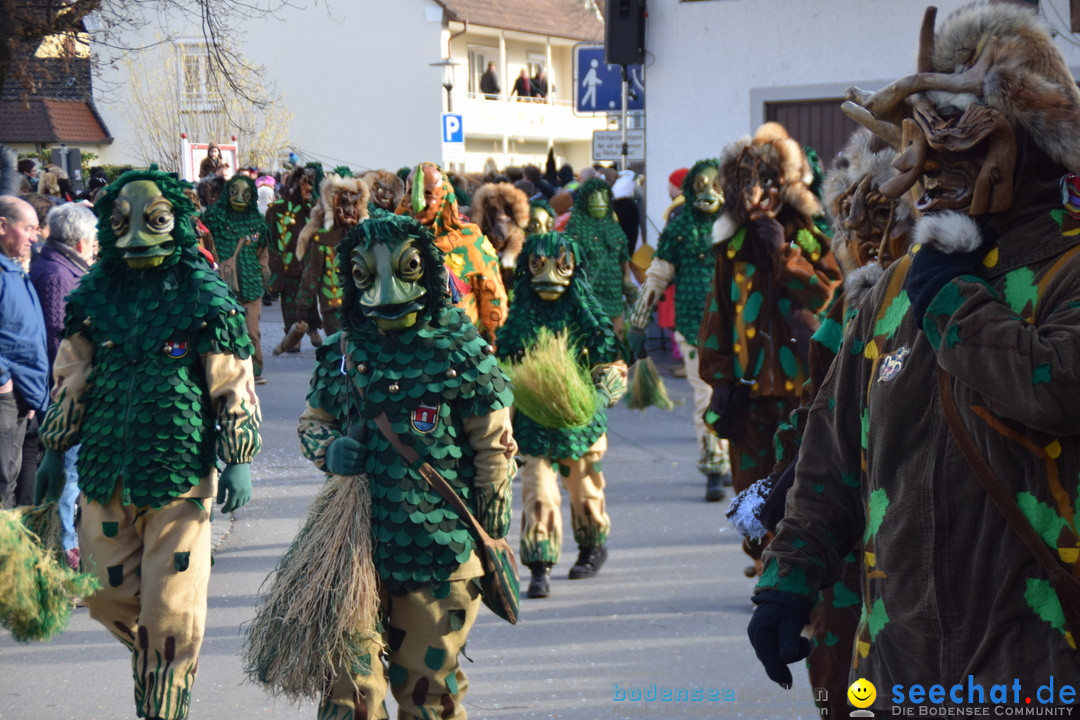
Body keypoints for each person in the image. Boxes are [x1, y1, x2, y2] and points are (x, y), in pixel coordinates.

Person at [748, 2, 1080, 709]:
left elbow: (1056, 388)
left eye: (955, 143)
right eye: (921, 144)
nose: (925, 168)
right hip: (897, 663)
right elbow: (834, 452)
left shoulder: (1068, 269)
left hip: (1036, 661)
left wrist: (956, 303)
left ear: (1026, 141)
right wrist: (788, 580)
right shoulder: (893, 287)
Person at [35, 167, 261, 720]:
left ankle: (164, 704)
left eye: (154, 221)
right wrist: (53, 451)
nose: (136, 235)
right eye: (123, 223)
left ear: (175, 224)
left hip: (179, 478)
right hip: (106, 470)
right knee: (102, 594)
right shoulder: (94, 296)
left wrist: (237, 456)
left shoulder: (201, 292)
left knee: (171, 615)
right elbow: (71, 376)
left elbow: (232, 378)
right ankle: (159, 660)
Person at [298, 213, 517, 718]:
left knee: (426, 689)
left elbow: (495, 444)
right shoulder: (343, 352)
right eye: (364, 277)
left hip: (441, 552)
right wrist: (328, 449)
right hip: (351, 550)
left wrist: (490, 519)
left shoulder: (461, 351)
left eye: (406, 270)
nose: (386, 293)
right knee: (348, 688)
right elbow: (313, 422)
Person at [697, 122, 840, 574]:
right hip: (750, 392)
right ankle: (766, 562)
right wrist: (718, 379)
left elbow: (829, 296)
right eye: (745, 182)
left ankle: (791, 570)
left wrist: (785, 255)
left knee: (801, 487)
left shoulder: (813, 241)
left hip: (803, 392)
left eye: (767, 181)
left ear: (788, 185)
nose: (756, 192)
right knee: (751, 487)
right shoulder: (730, 251)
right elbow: (717, 317)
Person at [497, 232, 627, 598]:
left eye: (561, 267)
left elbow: (612, 362)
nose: (550, 276)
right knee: (539, 492)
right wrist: (502, 422)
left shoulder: (588, 316)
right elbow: (505, 370)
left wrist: (603, 391)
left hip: (580, 424)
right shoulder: (518, 320)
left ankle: (592, 546)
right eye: (539, 266)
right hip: (534, 425)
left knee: (585, 490)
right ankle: (540, 566)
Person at [628, 159, 732, 502]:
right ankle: (714, 466)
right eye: (702, 186)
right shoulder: (680, 227)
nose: (709, 194)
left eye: (716, 186)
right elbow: (657, 275)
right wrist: (640, 321)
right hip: (694, 325)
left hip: (740, 328)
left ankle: (732, 459)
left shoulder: (739, 224)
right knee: (706, 394)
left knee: (737, 394)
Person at [28, 202, 97, 568]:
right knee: (67, 473)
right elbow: (60, 339)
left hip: (64, 389)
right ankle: (63, 549)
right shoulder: (57, 274)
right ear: (82, 240)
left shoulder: (62, 265)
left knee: (70, 472)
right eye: (96, 239)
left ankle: (66, 544)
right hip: (62, 393)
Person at [397, 161, 508, 345]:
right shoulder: (395, 241)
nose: (417, 203)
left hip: (460, 350)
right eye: (411, 193)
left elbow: (493, 296)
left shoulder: (470, 242)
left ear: (443, 198)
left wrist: (495, 343)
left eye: (428, 193)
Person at [0, 195, 48, 509]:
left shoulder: (13, 268)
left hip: (19, 397)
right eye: (27, 228)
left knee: (10, 479)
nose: (35, 235)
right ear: (2, 226)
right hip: (4, 396)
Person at [202, 174, 270, 383]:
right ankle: (227, 372)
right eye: (234, 192)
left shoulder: (257, 222)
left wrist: (264, 271)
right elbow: (203, 244)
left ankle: (254, 370)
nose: (240, 198)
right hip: (222, 285)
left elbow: (262, 252)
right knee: (223, 331)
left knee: (251, 331)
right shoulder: (214, 217)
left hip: (250, 284)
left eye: (245, 193)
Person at [563, 177, 633, 332]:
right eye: (595, 198)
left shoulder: (615, 230)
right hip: (587, 300)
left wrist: (629, 290)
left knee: (616, 343)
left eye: (604, 198)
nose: (600, 203)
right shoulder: (575, 230)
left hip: (614, 298)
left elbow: (623, 264)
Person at [265, 163, 322, 352]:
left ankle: (312, 327)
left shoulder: (313, 209)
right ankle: (293, 334)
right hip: (287, 264)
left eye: (311, 184)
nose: (309, 188)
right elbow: (271, 238)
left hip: (308, 263)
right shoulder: (277, 209)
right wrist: (275, 261)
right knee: (289, 299)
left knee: (308, 297)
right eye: (305, 184)